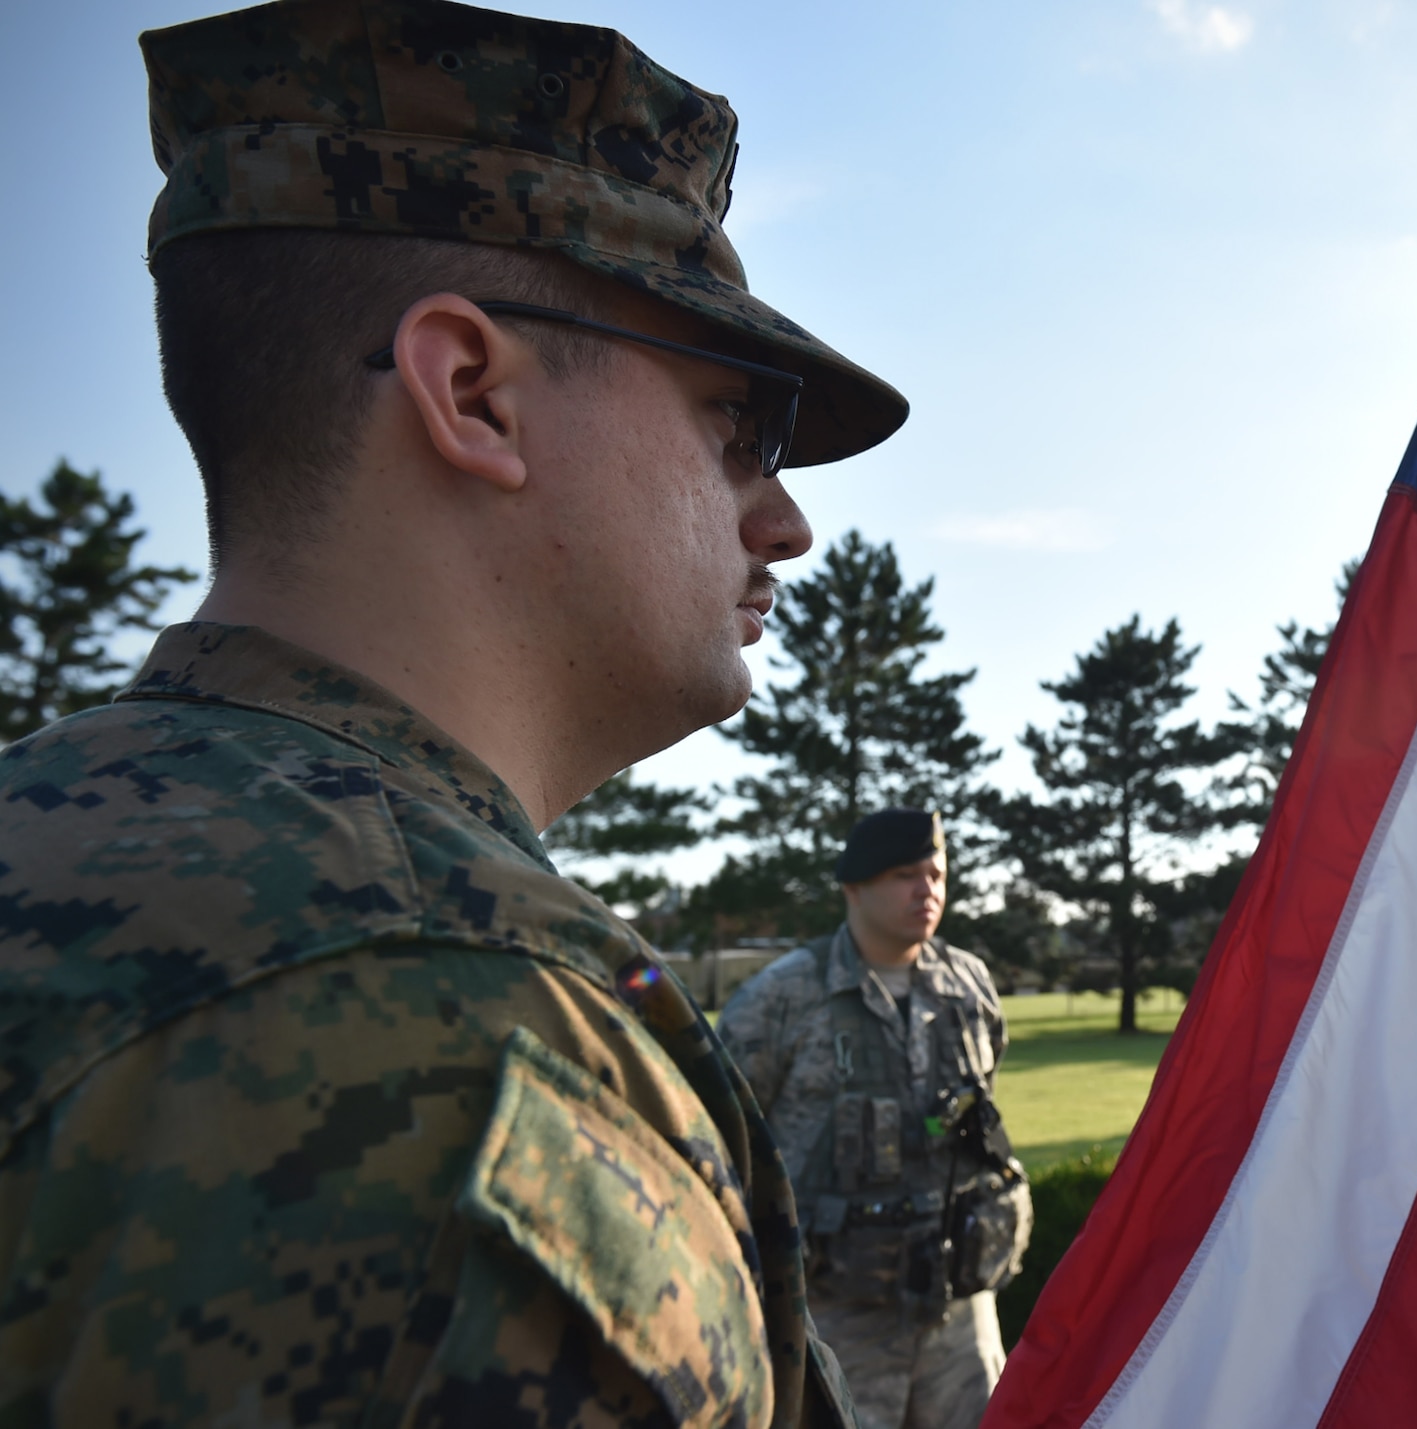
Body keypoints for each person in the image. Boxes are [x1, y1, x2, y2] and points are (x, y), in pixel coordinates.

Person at [0, 2, 908, 1424]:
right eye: (742, 429)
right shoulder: (469, 1035)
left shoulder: (51, 840)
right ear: (473, 391)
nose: (784, 522)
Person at [717, 811, 1032, 1429]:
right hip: (838, 1313)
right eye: (903, 875)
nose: (927, 889)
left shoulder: (968, 985)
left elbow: (973, 1106)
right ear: (853, 886)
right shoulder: (781, 998)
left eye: (937, 873)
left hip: (959, 1307)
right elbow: (725, 1141)